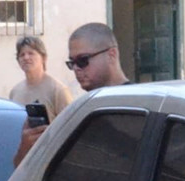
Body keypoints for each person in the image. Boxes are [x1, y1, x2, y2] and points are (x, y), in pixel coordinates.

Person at [13, 23, 130, 168]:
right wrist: (26, 147)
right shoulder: (84, 109)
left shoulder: (137, 105)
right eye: (72, 63)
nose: (76, 69)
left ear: (111, 54)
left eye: (82, 60)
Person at [8, 36, 73, 168]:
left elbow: (70, 128)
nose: (26, 57)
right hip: (24, 162)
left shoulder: (58, 90)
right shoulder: (15, 91)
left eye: (31, 53)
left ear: (43, 58)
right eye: (22, 54)